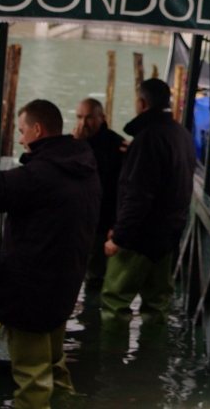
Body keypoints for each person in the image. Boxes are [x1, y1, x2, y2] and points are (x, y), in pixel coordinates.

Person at [0, 99, 100, 409]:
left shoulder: (40, 175)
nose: (21, 139)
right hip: (63, 286)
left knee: (32, 378)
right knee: (54, 363)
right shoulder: (83, 165)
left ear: (37, 130)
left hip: (32, 294)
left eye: (22, 131)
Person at [102, 79, 197, 326]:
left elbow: (138, 196)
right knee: (158, 305)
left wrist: (118, 237)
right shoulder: (181, 134)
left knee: (115, 302)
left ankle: (111, 350)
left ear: (142, 104)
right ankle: (153, 350)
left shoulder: (147, 139)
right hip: (168, 237)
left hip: (139, 238)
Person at [73, 98, 127, 290]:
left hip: (103, 221)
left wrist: (116, 223)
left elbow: (123, 188)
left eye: (89, 118)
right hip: (79, 219)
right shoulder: (73, 144)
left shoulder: (117, 145)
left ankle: (93, 304)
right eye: (79, 117)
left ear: (102, 118)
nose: (83, 123)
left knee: (97, 274)